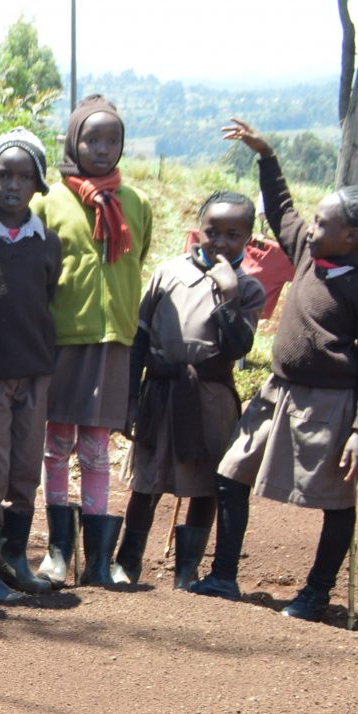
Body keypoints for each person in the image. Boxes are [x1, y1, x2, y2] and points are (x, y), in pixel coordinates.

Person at [202, 119, 358, 620]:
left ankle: (315, 592)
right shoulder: (309, 254)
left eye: (325, 222)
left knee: (333, 499)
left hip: (328, 404)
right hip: (275, 392)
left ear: (352, 237)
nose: (312, 226)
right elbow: (282, 207)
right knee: (231, 473)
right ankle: (223, 574)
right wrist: (265, 155)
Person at [111, 190, 265, 590]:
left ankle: (187, 571)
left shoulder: (248, 289)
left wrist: (229, 294)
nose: (220, 242)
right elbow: (139, 340)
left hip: (210, 398)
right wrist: (129, 398)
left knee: (203, 484)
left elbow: (239, 347)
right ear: (199, 230)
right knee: (146, 480)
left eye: (233, 235)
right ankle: (127, 562)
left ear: (247, 238)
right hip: (160, 392)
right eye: (213, 232)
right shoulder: (169, 272)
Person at [33, 95, 153, 588]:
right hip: (65, 339)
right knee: (57, 444)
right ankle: (58, 553)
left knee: (97, 448)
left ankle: (98, 562)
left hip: (113, 343)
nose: (102, 149)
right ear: (73, 142)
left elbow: (137, 257)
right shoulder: (49, 201)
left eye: (112, 140)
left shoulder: (137, 204)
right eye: (92, 139)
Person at [0, 129, 63, 603]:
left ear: (39, 184)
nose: (13, 185)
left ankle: (14, 559)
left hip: (34, 371)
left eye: (26, 177)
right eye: (4, 174)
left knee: (25, 470)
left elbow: (46, 298)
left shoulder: (49, 243)